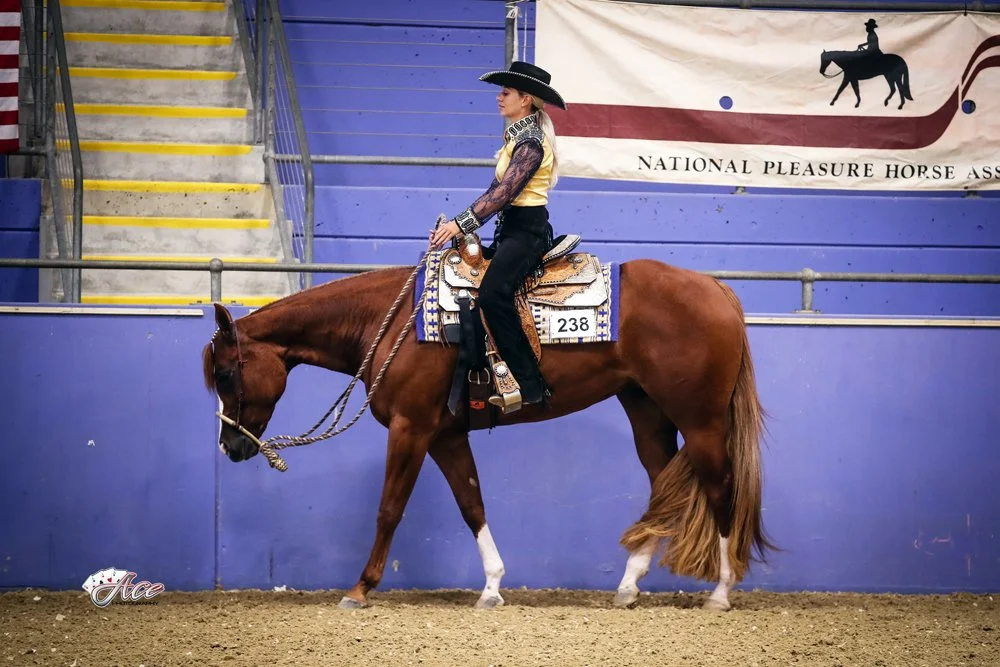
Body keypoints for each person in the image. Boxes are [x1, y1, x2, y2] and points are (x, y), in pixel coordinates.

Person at [429, 60, 567, 408]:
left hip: (527, 233)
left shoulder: (531, 143)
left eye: (506, 92)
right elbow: (494, 190)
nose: (499, 98)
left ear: (526, 100)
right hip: (512, 231)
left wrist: (458, 224)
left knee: (493, 294)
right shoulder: (518, 139)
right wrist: (463, 224)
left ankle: (530, 384)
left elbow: (504, 193)